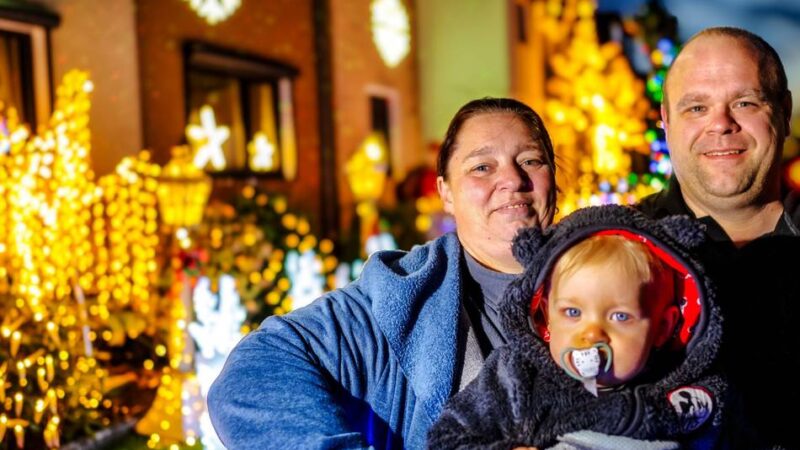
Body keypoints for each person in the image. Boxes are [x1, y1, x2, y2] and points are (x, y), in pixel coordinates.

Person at [207, 97, 558, 449]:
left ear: (553, 183)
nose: (512, 179)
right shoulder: (401, 300)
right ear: (446, 193)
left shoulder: (607, 276)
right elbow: (253, 376)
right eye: (482, 167)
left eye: (530, 160)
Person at [428, 205, 725, 449]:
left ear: (662, 326)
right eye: (572, 312)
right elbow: (447, 439)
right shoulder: (518, 376)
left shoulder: (688, 389)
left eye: (620, 317)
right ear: (547, 318)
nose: (592, 334)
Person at [637, 26, 800, 447]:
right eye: (696, 108)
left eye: (744, 103)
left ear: (784, 110)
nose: (721, 125)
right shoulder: (616, 245)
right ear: (666, 121)